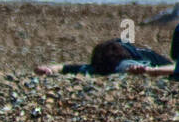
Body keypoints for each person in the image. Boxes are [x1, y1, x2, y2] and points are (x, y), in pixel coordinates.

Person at [34, 38, 172, 76]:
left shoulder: (139, 59)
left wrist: (150, 71)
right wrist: (50, 69)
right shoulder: (99, 65)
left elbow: (175, 68)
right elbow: (67, 67)